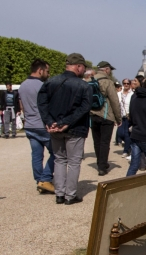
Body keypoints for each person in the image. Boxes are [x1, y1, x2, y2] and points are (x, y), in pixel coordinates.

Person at [37, 53, 92, 205]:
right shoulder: (84, 86)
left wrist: (49, 122)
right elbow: (85, 107)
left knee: (59, 160)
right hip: (75, 127)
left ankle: (59, 194)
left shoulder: (50, 82)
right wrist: (66, 122)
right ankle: (70, 195)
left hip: (54, 127)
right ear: (79, 67)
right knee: (74, 162)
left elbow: (41, 103)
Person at [19, 59, 55, 194]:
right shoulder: (43, 86)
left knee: (36, 155)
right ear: (40, 70)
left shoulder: (23, 85)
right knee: (57, 153)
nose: (48, 74)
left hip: (29, 125)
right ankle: (45, 179)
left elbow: (22, 105)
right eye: (47, 71)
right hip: (42, 124)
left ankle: (39, 180)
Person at [90, 61, 122, 176]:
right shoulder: (108, 82)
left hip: (92, 115)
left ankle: (100, 162)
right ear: (107, 69)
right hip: (106, 115)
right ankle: (102, 166)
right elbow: (114, 101)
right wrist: (118, 118)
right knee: (104, 142)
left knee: (96, 141)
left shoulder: (90, 80)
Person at [116, 78, 134, 155]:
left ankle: (126, 150)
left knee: (127, 133)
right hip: (120, 116)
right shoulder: (119, 94)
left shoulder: (132, 94)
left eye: (127, 83)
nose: (126, 85)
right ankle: (129, 146)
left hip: (128, 116)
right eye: (124, 83)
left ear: (130, 84)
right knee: (120, 133)